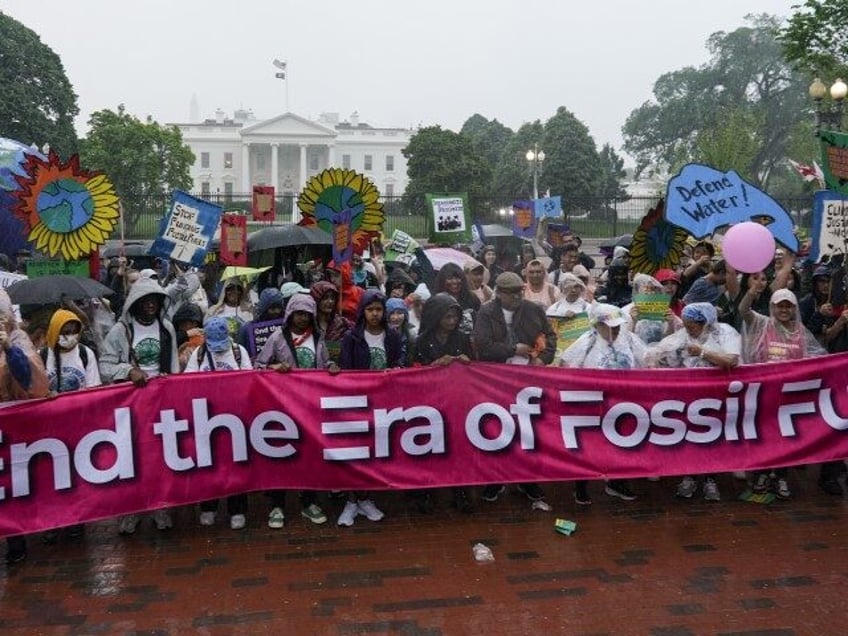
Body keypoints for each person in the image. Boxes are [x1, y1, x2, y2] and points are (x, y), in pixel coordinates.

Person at [99, 277, 180, 534]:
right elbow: (105, 366)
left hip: (161, 403)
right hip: (131, 405)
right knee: (130, 458)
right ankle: (131, 511)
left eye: (154, 300)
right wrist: (128, 370)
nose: (150, 305)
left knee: (160, 456)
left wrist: (174, 385)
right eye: (144, 300)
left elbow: (175, 363)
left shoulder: (167, 328)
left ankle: (161, 508)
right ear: (134, 303)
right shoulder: (120, 332)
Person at [255, 293, 338, 528]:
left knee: (308, 455)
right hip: (282, 407)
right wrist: (273, 367)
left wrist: (331, 366)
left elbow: (323, 363)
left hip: (311, 406)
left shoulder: (318, 337)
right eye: (298, 313)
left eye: (307, 314)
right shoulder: (277, 338)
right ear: (290, 313)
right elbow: (258, 366)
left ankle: (308, 502)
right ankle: (277, 505)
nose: (302, 318)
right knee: (281, 455)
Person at [473, 272, 556, 508]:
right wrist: (512, 350)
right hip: (496, 380)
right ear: (499, 293)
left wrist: (544, 358)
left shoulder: (534, 309)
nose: (516, 296)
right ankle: (496, 478)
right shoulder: (487, 312)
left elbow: (550, 337)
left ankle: (526, 479)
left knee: (527, 431)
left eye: (519, 291)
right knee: (497, 430)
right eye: (510, 292)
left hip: (528, 379)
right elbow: (483, 345)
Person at [647, 302, 741, 501]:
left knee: (712, 437)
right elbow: (661, 354)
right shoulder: (682, 336)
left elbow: (731, 360)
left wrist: (702, 352)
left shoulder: (725, 333)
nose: (689, 329)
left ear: (706, 322)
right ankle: (688, 476)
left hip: (717, 396)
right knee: (689, 437)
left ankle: (710, 479)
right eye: (687, 325)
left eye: (693, 325)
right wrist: (654, 359)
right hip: (688, 398)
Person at [739, 286, 827, 498]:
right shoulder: (762, 323)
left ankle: (780, 476)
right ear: (772, 307)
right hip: (762, 392)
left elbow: (815, 356)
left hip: (788, 396)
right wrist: (752, 291)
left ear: (795, 308)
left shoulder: (800, 331)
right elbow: (743, 310)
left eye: (789, 306)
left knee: (784, 437)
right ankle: (761, 473)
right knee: (762, 435)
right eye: (780, 306)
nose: (784, 310)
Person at [560, 303, 649, 504]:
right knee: (587, 446)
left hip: (623, 404)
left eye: (618, 326)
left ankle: (617, 483)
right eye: (611, 326)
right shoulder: (587, 341)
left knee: (621, 444)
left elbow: (648, 359)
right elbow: (565, 366)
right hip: (592, 404)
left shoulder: (628, 338)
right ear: (597, 325)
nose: (615, 330)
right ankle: (581, 486)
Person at [337, 290, 403, 526]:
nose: (375, 314)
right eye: (370, 309)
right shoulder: (352, 337)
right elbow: (346, 370)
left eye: (378, 309)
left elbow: (397, 361)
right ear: (362, 311)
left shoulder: (392, 336)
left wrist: (396, 370)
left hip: (385, 403)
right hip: (358, 402)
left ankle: (366, 499)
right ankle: (352, 501)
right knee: (356, 452)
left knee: (375, 452)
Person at [184, 317, 253, 529]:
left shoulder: (239, 352)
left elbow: (250, 380)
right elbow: (186, 382)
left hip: (235, 417)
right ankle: (208, 507)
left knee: (237, 463)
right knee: (208, 462)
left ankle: (237, 509)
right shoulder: (200, 354)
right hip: (206, 417)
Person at [413, 292, 475, 513]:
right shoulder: (420, 340)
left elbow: (475, 368)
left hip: (457, 401)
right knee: (428, 447)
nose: (451, 322)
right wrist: (435, 365)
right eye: (446, 317)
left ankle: (460, 491)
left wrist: (468, 363)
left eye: (454, 317)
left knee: (457, 446)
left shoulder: (462, 338)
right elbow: (412, 372)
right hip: (428, 403)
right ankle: (424, 490)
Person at [0, 289, 50, 564]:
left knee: (15, 482)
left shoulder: (17, 339)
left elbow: (33, 381)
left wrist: (8, 349)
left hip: (16, 424)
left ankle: (17, 540)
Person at [310, 281, 353, 364]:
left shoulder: (342, 323)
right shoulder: (309, 323)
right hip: (313, 372)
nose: (330, 301)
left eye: (332, 298)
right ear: (316, 299)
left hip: (338, 371)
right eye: (325, 298)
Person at [432, 262, 480, 335]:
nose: (454, 282)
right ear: (442, 280)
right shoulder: (436, 301)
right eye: (450, 278)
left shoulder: (472, 297)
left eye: (457, 278)